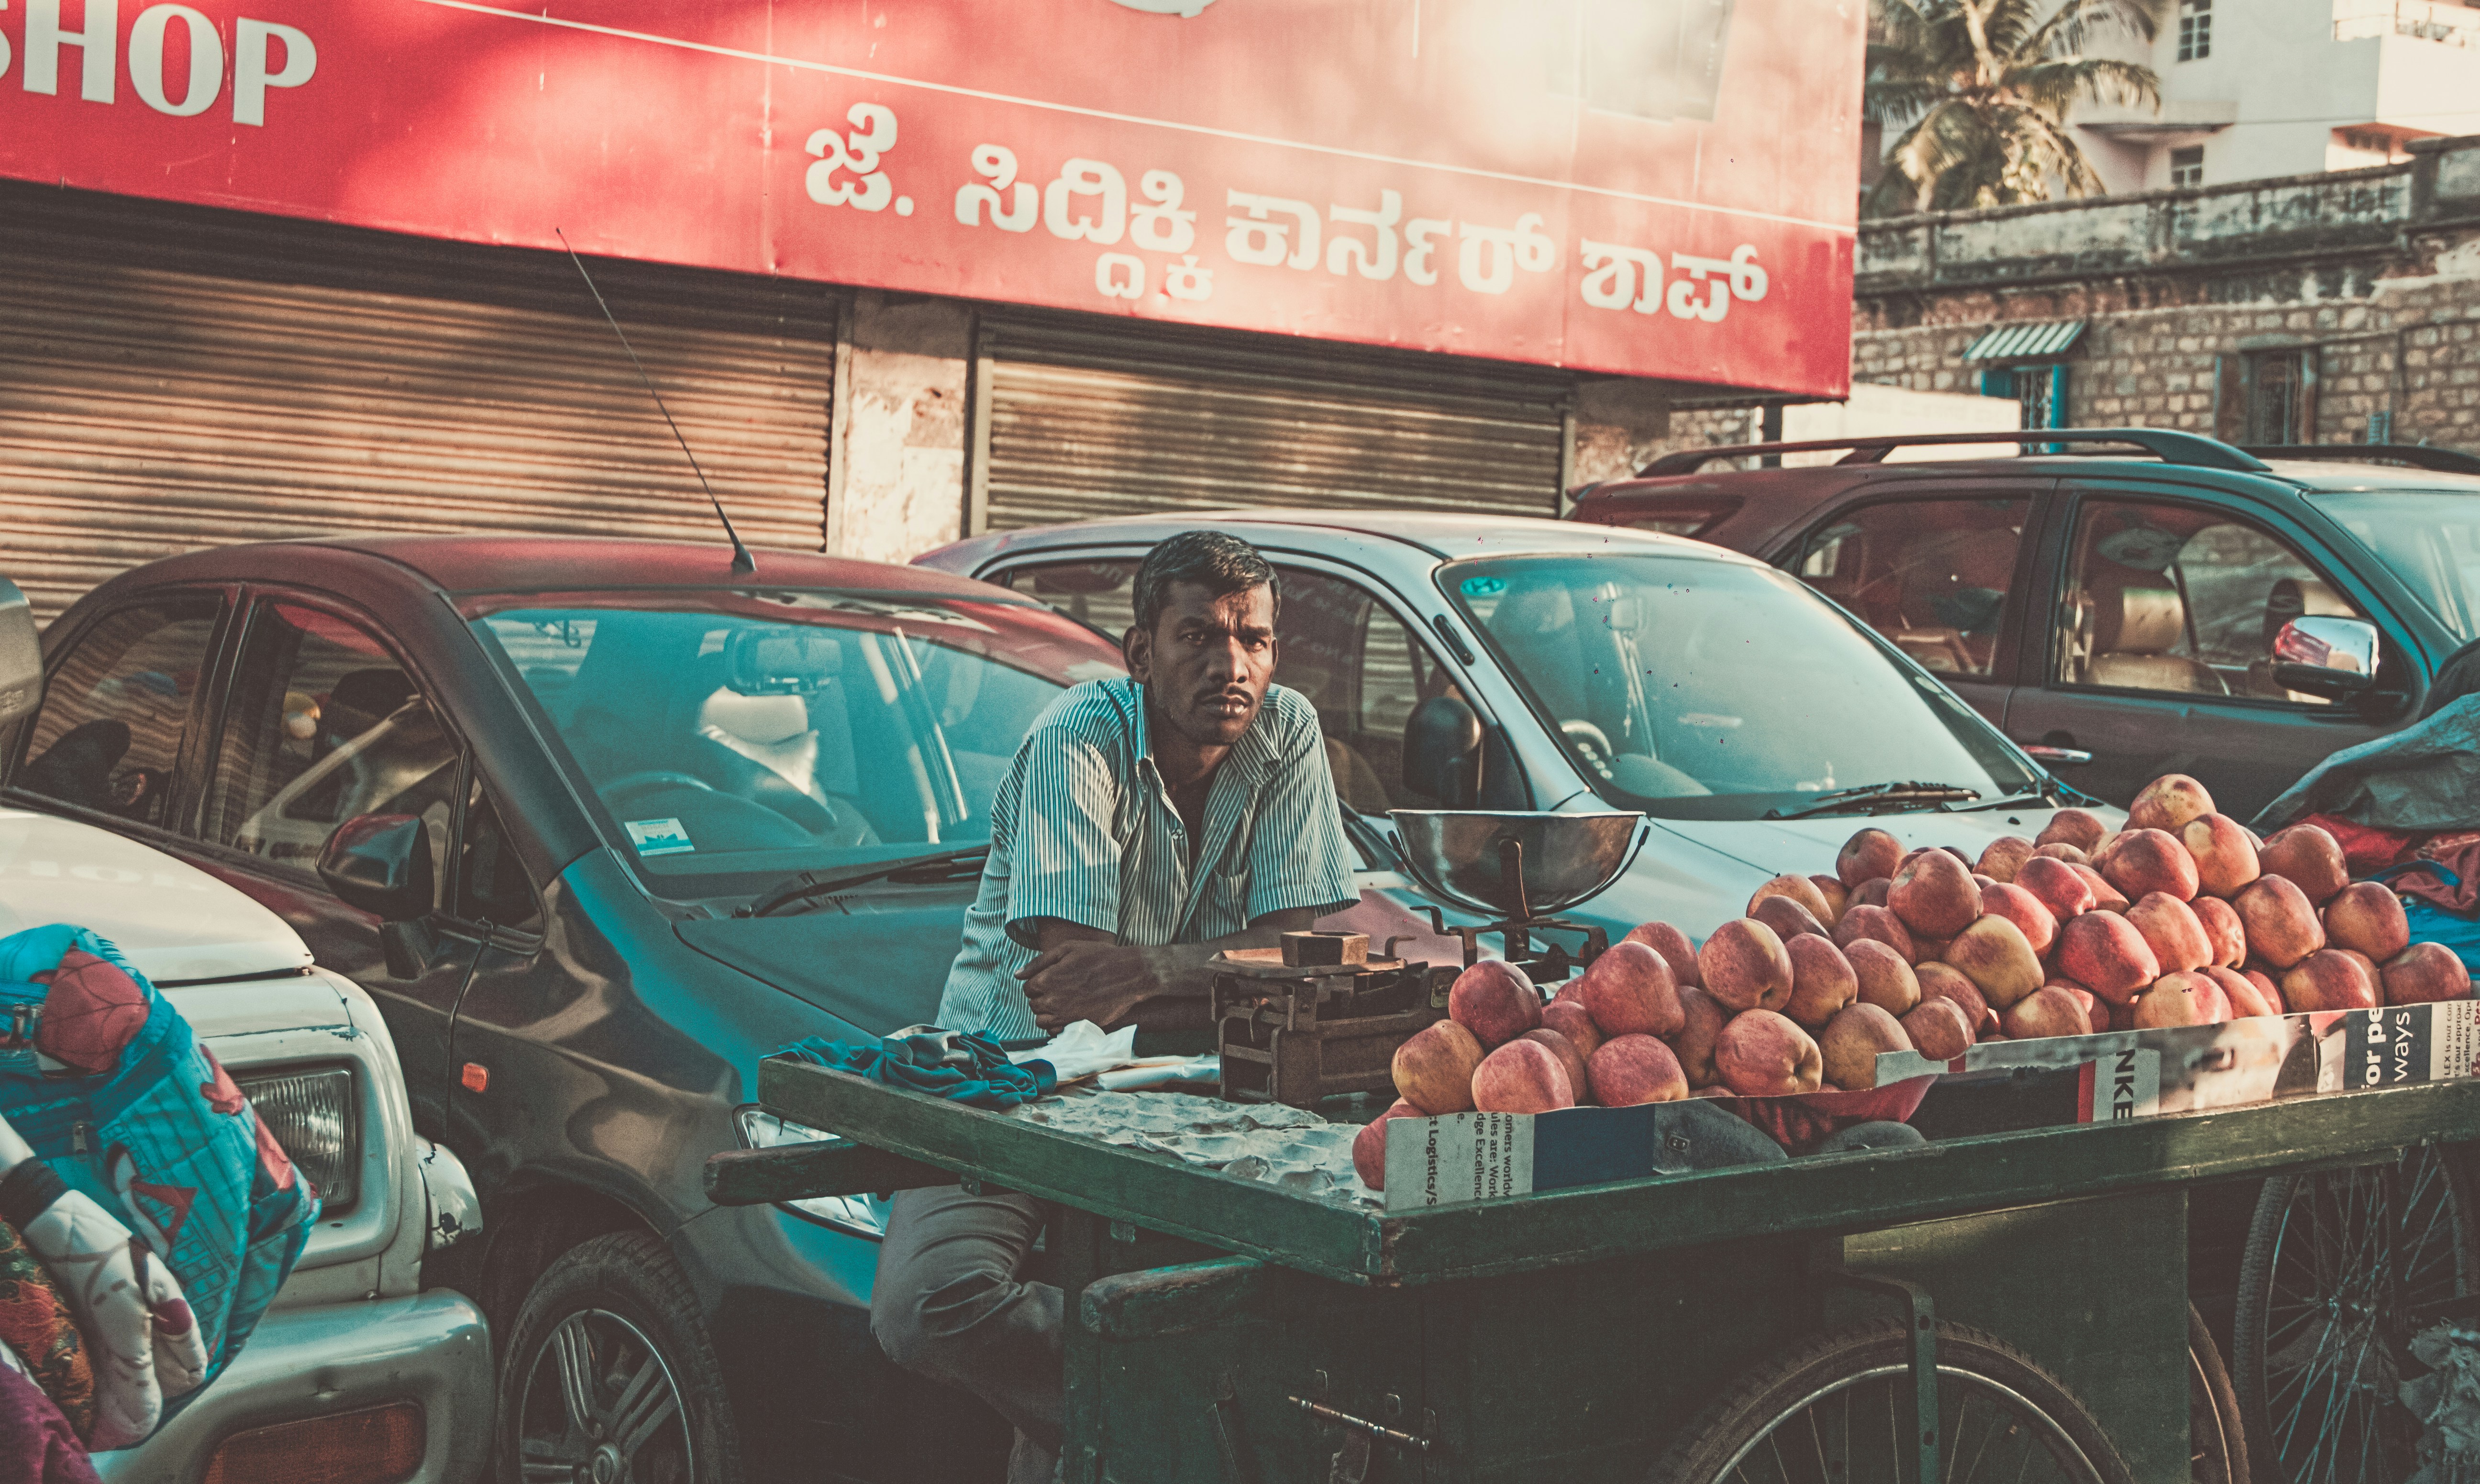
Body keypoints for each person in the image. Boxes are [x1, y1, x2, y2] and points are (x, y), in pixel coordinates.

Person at [869, 530, 1357, 1483]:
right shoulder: (1074, 741)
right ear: (1140, 655)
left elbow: (1299, 958)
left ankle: (1146, 1420)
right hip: (1013, 1075)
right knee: (928, 1301)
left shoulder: (1286, 729)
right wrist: (1214, 969)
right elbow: (1073, 988)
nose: (1232, 665)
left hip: (1196, 1087)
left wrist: (1156, 970)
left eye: (1253, 640)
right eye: (1198, 638)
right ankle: (1176, 1419)